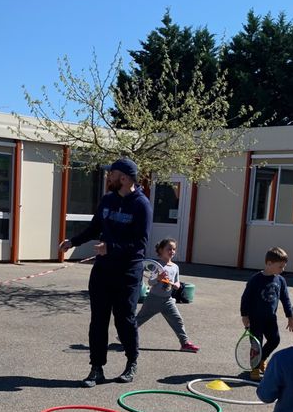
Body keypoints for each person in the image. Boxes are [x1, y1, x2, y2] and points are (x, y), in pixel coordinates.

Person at [59, 157, 152, 386]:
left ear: (123, 178)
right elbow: (95, 228)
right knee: (98, 321)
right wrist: (73, 242)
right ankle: (96, 368)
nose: (108, 176)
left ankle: (131, 362)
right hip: (103, 271)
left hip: (128, 272)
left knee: (124, 319)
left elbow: (140, 243)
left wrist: (111, 247)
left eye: (112, 173)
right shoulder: (108, 200)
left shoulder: (141, 204)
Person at [239, 247, 293, 381]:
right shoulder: (255, 280)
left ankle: (262, 358)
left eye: (283, 266)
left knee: (275, 340)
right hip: (255, 319)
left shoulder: (280, 280)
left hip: (271, 318)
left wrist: (290, 315)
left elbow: (285, 298)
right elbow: (245, 298)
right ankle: (255, 368)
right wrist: (244, 316)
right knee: (256, 344)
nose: (283, 270)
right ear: (269, 263)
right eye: (280, 266)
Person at [135, 238, 199, 352]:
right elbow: (150, 282)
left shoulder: (175, 267)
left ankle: (185, 344)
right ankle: (124, 336)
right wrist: (158, 279)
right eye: (169, 249)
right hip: (153, 299)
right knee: (140, 319)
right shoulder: (157, 265)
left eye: (174, 249)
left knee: (177, 320)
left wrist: (177, 285)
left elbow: (177, 281)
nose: (172, 251)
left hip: (168, 300)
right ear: (161, 250)